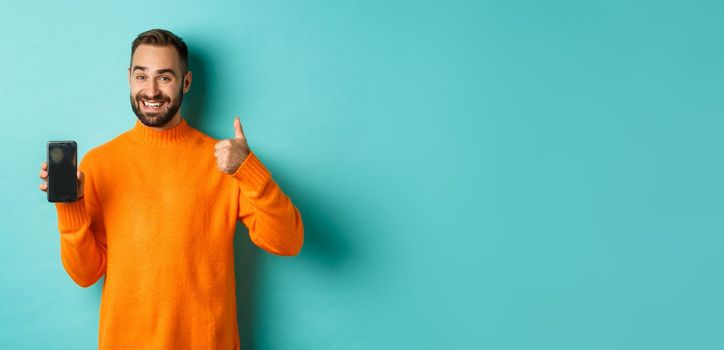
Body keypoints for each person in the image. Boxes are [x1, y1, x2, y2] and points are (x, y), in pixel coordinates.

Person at [37, 28, 304, 349]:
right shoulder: (99, 163)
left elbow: (287, 241)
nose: (150, 90)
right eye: (141, 76)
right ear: (129, 78)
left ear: (186, 82)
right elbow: (85, 274)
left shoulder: (223, 161)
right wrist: (69, 206)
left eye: (164, 77)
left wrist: (249, 170)